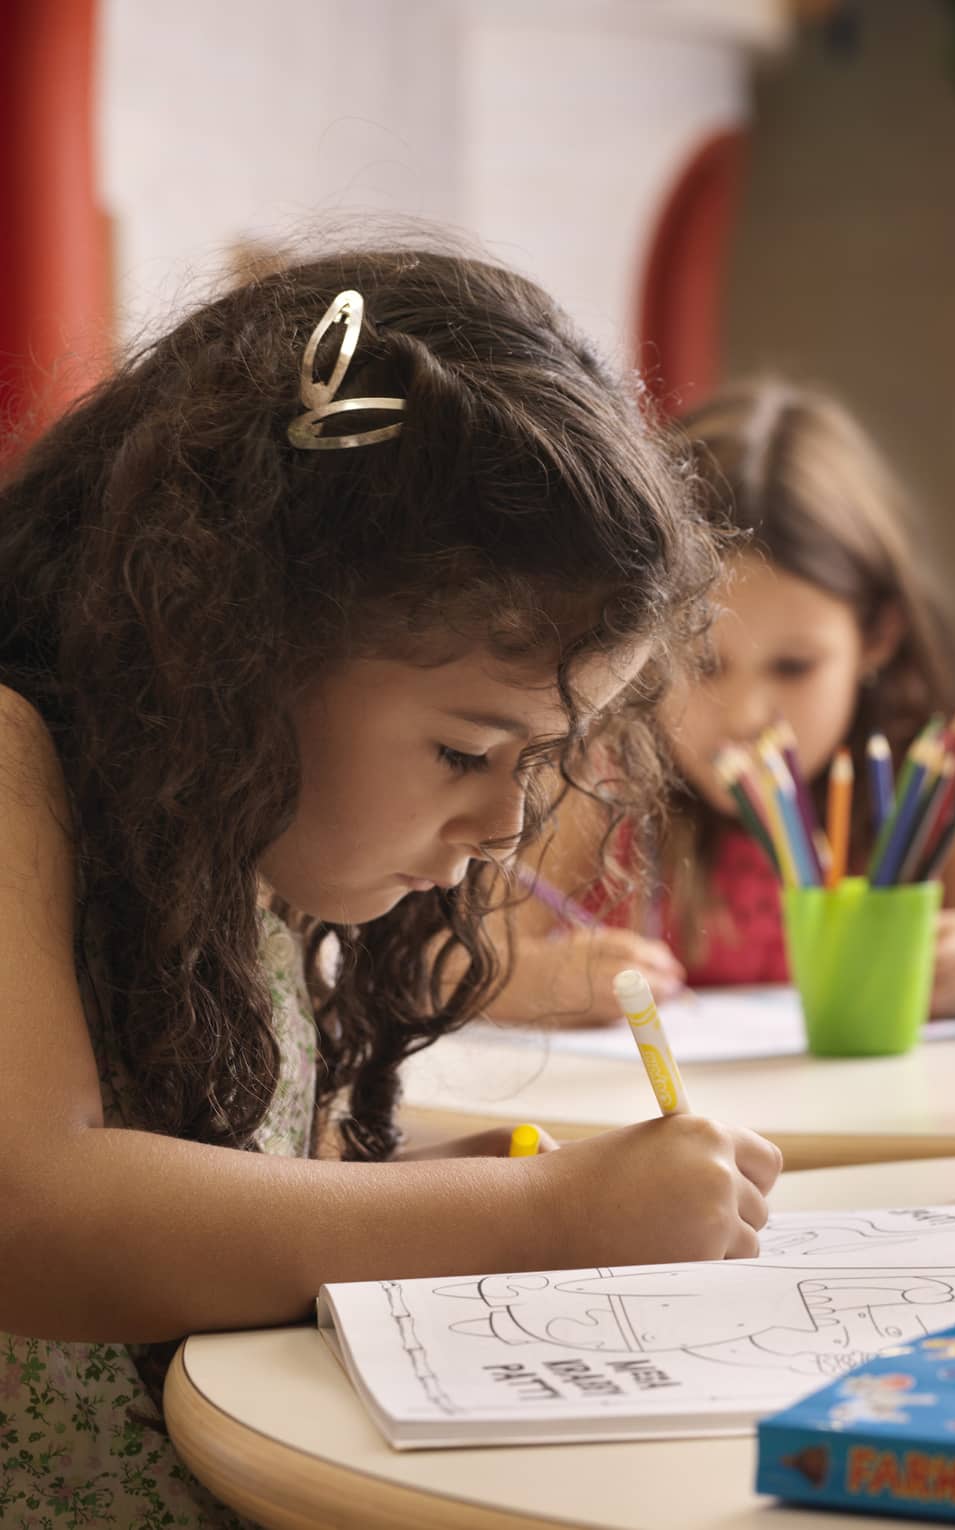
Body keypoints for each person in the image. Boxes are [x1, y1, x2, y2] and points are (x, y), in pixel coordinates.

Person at [0, 248, 781, 1525]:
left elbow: (221, 1174)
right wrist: (532, 1213)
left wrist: (449, 1183)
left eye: (546, 762)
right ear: (234, 645)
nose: (505, 825)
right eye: (467, 751)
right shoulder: (10, 762)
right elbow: (31, 1209)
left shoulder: (235, 841)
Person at [494, 380, 955, 1025]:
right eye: (705, 662)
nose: (748, 715)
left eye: (795, 666)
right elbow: (450, 961)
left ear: (879, 635)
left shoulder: (932, 771)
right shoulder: (599, 773)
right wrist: (544, 981)